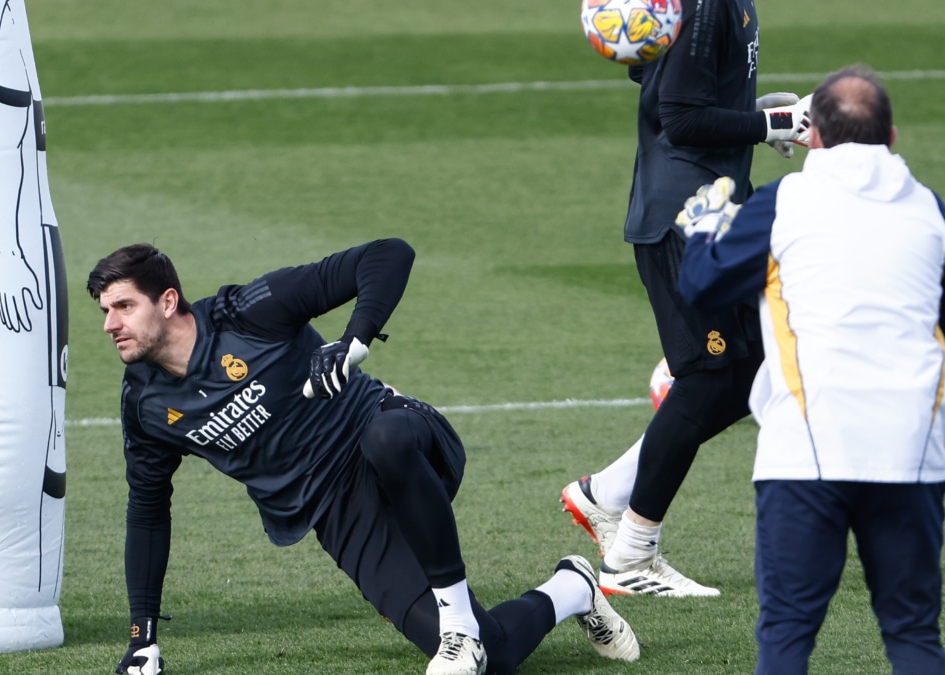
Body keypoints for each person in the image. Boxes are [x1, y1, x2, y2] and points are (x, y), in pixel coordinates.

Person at [88, 239, 640, 675]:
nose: (110, 324)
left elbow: (388, 254)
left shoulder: (247, 313)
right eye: (105, 310)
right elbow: (147, 511)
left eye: (123, 306)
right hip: (339, 513)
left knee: (385, 440)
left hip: (400, 437)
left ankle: (456, 628)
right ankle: (573, 587)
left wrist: (355, 339)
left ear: (166, 301)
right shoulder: (146, 404)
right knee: (492, 659)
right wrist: (143, 638)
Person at [677, 65, 945, 674]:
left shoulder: (783, 201)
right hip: (913, 451)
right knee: (912, 632)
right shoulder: (931, 210)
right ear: (893, 136)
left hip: (806, 453)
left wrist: (702, 228)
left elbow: (703, 284)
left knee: (788, 632)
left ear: (812, 135)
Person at [559, 0, 813, 596]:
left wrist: (753, 113)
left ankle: (607, 494)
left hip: (718, 207)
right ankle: (631, 557)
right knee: (708, 377)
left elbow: (668, 87)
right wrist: (776, 126)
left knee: (754, 371)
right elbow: (680, 116)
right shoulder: (703, 6)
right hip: (686, 219)